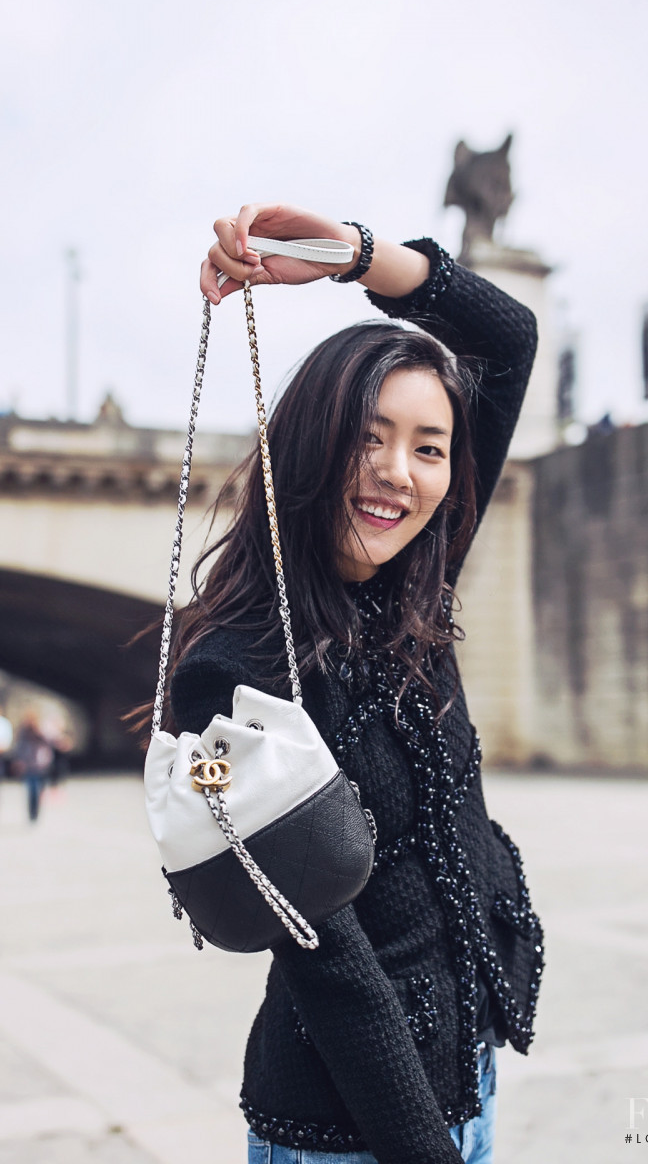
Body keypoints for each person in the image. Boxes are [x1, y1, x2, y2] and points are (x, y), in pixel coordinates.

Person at [165, 203, 544, 1164]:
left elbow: (509, 336)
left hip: (467, 1076)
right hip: (349, 1130)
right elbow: (325, 958)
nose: (397, 475)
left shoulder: (421, 582)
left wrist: (355, 256)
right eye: (368, 437)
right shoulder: (236, 667)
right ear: (310, 443)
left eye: (428, 446)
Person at [11, 712, 55, 822]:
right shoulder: (22, 733)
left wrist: (39, 732)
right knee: (32, 790)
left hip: (41, 764)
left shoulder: (42, 732)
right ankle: (32, 812)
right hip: (28, 765)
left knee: (40, 789)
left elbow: (51, 742)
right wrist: (18, 761)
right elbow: (18, 748)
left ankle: (36, 810)